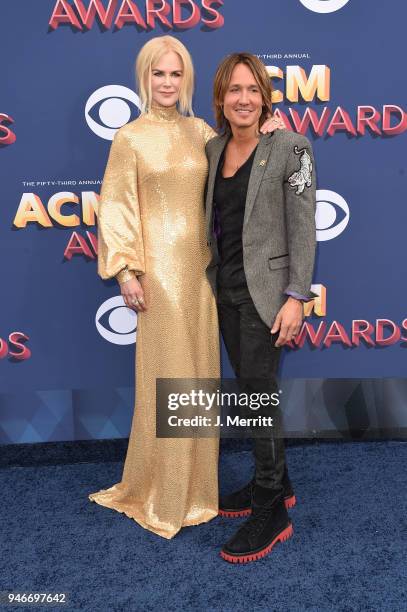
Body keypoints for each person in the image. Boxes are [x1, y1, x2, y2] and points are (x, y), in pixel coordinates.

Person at [89, 37, 284, 539]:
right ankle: (164, 493)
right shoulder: (129, 138)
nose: (167, 83)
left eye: (176, 75)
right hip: (157, 280)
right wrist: (126, 271)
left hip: (203, 275)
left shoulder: (203, 133)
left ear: (188, 80)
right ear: (144, 78)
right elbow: (116, 206)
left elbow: (245, 161)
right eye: (159, 74)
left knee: (199, 383)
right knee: (169, 383)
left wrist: (270, 131)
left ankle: (198, 490)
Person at [204, 53, 317, 562]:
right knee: (254, 395)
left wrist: (296, 296)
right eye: (234, 90)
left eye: (252, 90)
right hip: (224, 290)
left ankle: (271, 509)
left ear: (264, 97)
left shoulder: (292, 146)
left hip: (268, 296)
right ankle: (276, 482)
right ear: (221, 99)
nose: (243, 99)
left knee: (258, 399)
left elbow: (303, 227)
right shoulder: (212, 149)